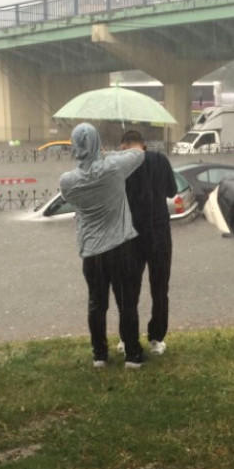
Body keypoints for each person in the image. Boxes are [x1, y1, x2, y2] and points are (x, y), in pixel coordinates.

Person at [59, 122, 145, 368]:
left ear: (74, 146)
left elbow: (69, 199)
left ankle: (99, 355)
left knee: (96, 304)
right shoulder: (114, 167)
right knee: (126, 303)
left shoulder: (68, 181)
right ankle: (132, 355)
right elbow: (138, 153)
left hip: (91, 252)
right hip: (120, 248)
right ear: (98, 142)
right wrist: (108, 154)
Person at [115, 128, 177, 355]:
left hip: (131, 235)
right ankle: (156, 339)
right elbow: (172, 191)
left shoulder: (120, 166)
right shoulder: (160, 160)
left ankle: (126, 339)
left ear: (123, 146)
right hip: (160, 233)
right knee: (160, 288)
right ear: (144, 144)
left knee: (129, 290)